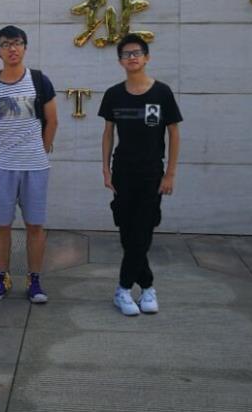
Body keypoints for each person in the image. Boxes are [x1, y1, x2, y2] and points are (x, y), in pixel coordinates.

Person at [99, 33, 182, 316]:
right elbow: (108, 133)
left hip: (151, 173)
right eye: (126, 54)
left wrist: (169, 174)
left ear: (146, 57)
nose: (131, 57)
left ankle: (124, 289)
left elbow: (174, 134)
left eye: (136, 53)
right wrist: (106, 169)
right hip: (123, 172)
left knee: (143, 231)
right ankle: (146, 286)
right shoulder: (114, 94)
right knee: (127, 232)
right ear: (120, 61)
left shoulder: (162, 93)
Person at [0, 25, 58, 304]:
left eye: (17, 43)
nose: (12, 48)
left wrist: (40, 150)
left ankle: (34, 279)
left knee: (35, 225)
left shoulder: (39, 80)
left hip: (35, 166)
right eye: (5, 44)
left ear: (25, 47)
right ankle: (2, 277)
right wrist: (4, 148)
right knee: (1, 225)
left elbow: (52, 120)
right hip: (1, 166)